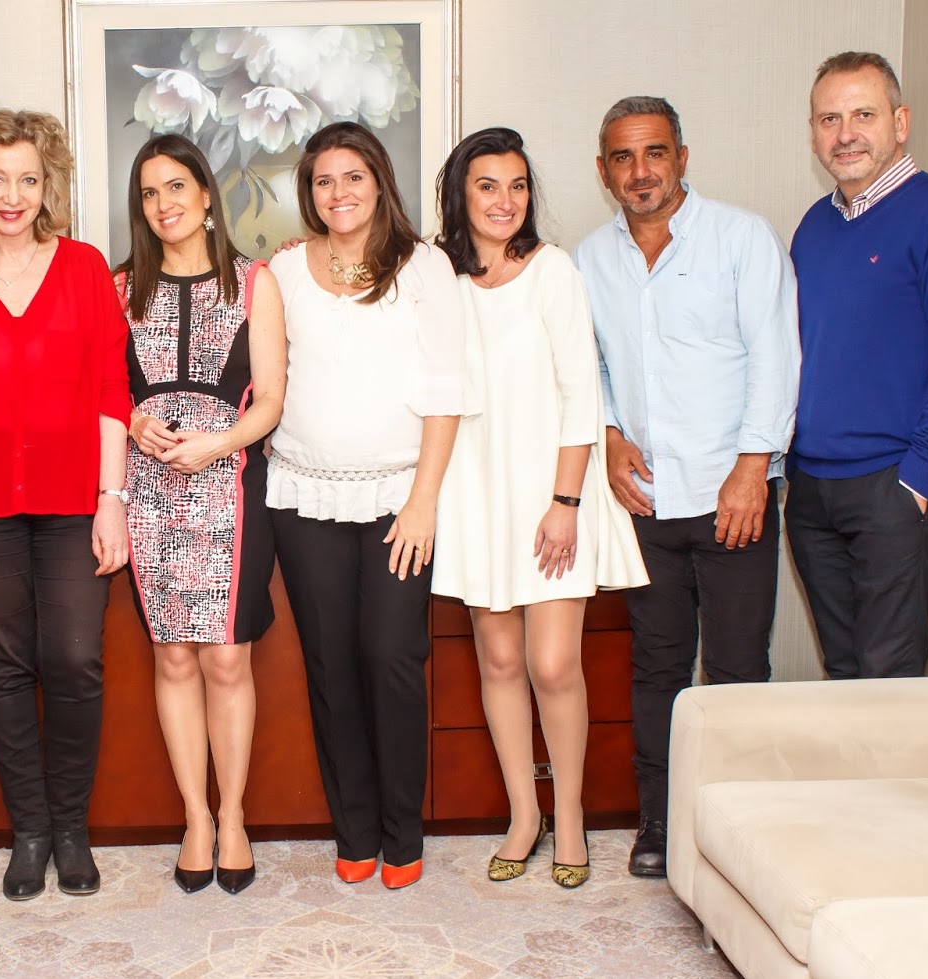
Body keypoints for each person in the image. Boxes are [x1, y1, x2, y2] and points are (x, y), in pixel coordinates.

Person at [571, 97, 799, 877]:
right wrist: (608, 434)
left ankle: (741, 831)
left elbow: (776, 355)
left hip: (733, 495)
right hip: (647, 501)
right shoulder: (589, 259)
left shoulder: (742, 238)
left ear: (682, 157)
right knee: (658, 670)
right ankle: (660, 824)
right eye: (624, 157)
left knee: (736, 670)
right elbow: (591, 365)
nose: (641, 172)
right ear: (604, 171)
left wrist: (752, 467)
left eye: (655, 153)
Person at [0, 109, 130, 902]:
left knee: (73, 659)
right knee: (3, 668)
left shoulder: (83, 268)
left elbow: (111, 392)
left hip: (74, 504)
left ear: (48, 188)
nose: (13, 196)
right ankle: (30, 832)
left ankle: (71, 827)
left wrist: (112, 499)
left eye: (28, 179)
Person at [431, 127, 646, 890]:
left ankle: (573, 814)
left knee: (553, 664)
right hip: (474, 490)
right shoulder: (439, 276)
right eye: (487, 185)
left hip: (552, 490)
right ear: (460, 195)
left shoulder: (552, 270)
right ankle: (525, 815)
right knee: (498, 660)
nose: (505, 200)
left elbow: (580, 391)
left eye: (517, 185)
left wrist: (565, 502)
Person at [266, 121, 471, 890]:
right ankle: (353, 831)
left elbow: (446, 391)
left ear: (380, 182)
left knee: (392, 658)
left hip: (397, 498)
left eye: (353, 176)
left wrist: (423, 503)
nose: (339, 192)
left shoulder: (424, 266)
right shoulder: (285, 270)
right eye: (324, 180)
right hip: (304, 494)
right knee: (331, 665)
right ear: (309, 193)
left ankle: (401, 832)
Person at [787, 51, 928, 680]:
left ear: (900, 123)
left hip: (894, 484)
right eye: (829, 119)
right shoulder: (814, 227)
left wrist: (917, 483)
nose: (845, 133)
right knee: (845, 671)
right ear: (813, 133)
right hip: (813, 489)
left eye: (864, 115)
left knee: (888, 679)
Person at [116, 133, 286, 896]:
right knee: (174, 658)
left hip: (232, 489)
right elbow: (104, 389)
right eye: (150, 193)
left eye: (177, 187)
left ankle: (234, 814)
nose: (165, 205)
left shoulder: (255, 283)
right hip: (150, 492)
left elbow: (272, 400)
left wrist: (217, 442)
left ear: (207, 193)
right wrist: (132, 420)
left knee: (225, 658)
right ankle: (195, 818)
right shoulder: (121, 288)